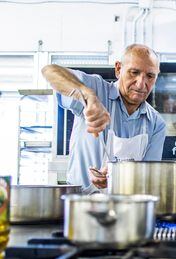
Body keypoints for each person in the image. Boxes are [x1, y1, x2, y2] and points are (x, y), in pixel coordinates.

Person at [42, 44, 166, 193]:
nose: (141, 83)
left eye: (150, 76)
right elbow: (50, 71)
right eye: (134, 72)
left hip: (127, 209)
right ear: (118, 69)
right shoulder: (96, 89)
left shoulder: (156, 123)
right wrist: (88, 96)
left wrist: (118, 177)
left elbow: (148, 178)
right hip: (81, 205)